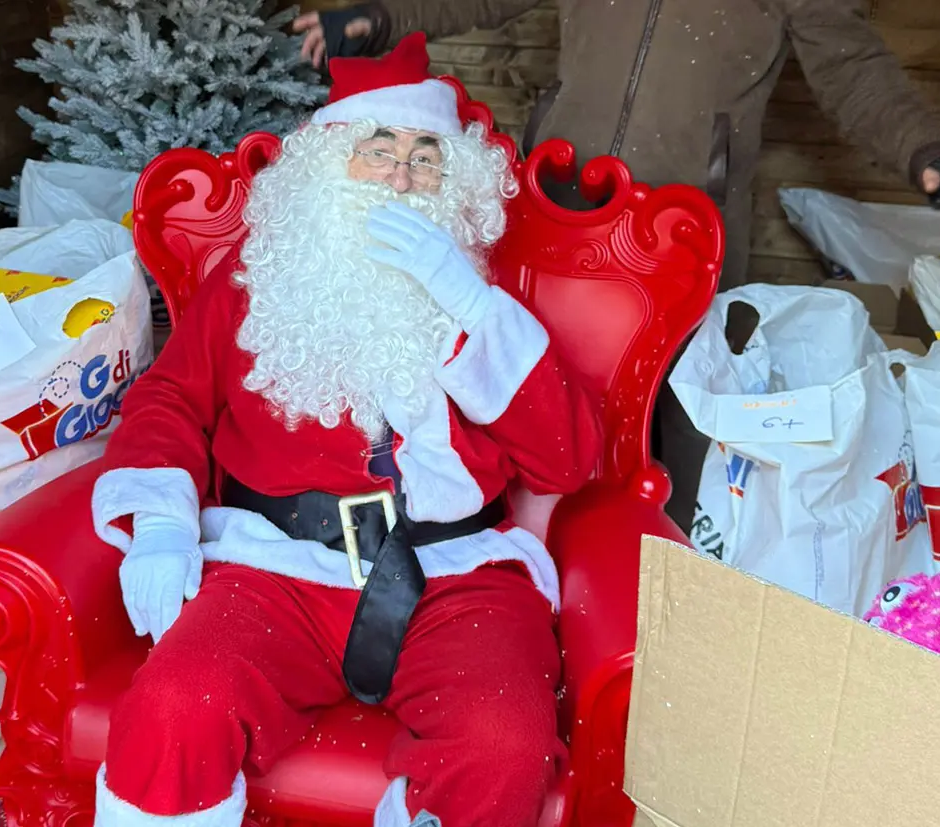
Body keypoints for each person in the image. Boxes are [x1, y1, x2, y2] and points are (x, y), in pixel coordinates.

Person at [89, 32, 602, 827]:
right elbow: (168, 402)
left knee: (504, 741)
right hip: (272, 566)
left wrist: (467, 306)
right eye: (378, 150)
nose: (401, 176)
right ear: (328, 168)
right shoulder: (252, 280)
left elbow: (566, 459)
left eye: (426, 156)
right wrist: (160, 522)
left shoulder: (480, 299)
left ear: (451, 181)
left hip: (455, 573)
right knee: (174, 704)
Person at [294, 0, 940, 534]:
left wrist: (920, 148)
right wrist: (382, 17)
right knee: (538, 392)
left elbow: (852, 66)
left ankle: (668, 587)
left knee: (683, 423)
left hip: (686, 233)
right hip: (557, 209)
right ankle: (523, 564)